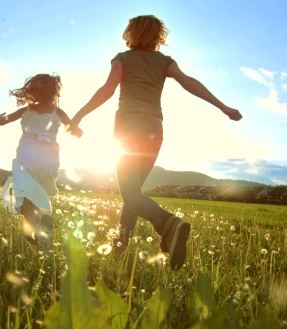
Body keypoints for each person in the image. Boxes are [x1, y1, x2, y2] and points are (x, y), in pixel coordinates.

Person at [69, 15, 242, 269]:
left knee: (129, 192)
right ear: (158, 36)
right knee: (134, 192)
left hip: (128, 128)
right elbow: (189, 83)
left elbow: (107, 89)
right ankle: (120, 247)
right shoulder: (164, 62)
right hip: (154, 129)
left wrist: (78, 116)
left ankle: (168, 223)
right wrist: (223, 107)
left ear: (131, 34)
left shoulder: (123, 59)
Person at [0, 74, 77, 252]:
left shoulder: (28, 110)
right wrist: (76, 130)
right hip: (48, 162)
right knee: (41, 196)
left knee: (25, 196)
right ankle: (42, 227)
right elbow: (71, 128)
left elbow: (4, 120)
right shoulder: (58, 112)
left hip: (27, 159)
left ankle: (34, 227)